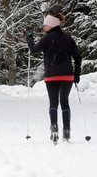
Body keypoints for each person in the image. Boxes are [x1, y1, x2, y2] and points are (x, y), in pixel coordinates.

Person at [27, 12, 82, 143]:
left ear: (51, 25)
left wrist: (29, 38)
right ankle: (67, 131)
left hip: (51, 76)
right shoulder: (68, 38)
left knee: (53, 103)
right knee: (64, 102)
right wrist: (76, 75)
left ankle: (54, 127)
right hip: (67, 75)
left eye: (45, 25)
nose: (43, 27)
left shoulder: (46, 39)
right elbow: (78, 57)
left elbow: (34, 49)